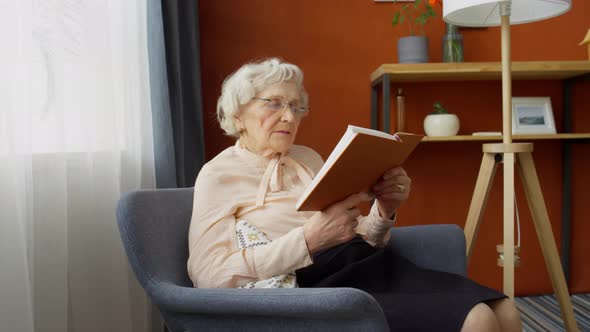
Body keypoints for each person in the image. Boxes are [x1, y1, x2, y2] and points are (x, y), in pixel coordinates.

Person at [187, 58, 522, 331]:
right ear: (236, 115)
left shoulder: (307, 158)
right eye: (274, 104)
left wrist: (384, 208)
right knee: (478, 321)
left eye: (296, 106)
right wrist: (307, 240)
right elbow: (209, 275)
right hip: (322, 287)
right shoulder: (218, 175)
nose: (289, 117)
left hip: (370, 261)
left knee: (505, 310)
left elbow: (356, 234)